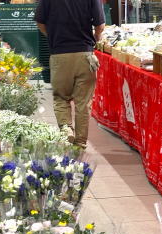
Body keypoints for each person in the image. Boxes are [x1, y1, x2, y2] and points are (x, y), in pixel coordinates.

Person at [35, 0, 105, 149]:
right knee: (83, 102)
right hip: (85, 55)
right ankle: (80, 142)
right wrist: (96, 36)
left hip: (59, 55)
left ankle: (66, 128)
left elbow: (40, 22)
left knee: (61, 97)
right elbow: (100, 25)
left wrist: (53, 36)